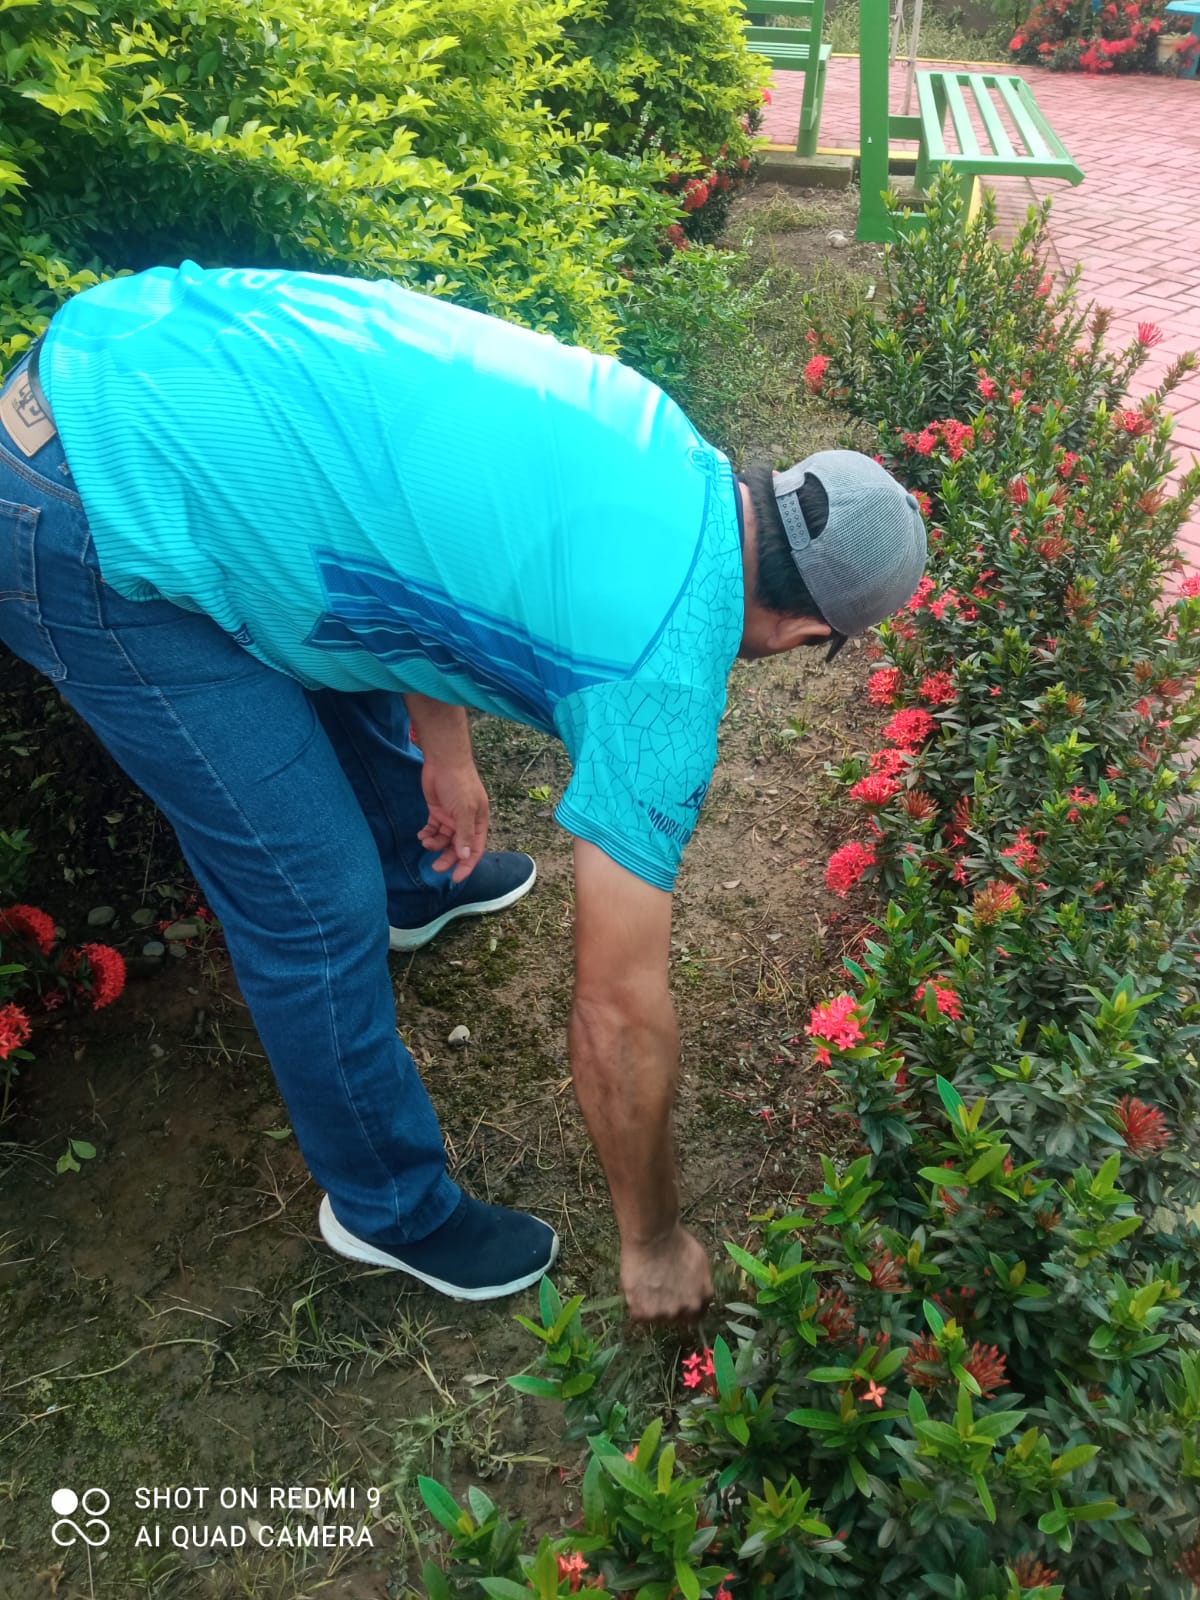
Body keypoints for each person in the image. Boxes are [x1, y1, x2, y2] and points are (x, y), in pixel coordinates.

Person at [0, 264, 925, 1322]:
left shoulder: (651, 430)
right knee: (311, 904)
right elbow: (617, 1011)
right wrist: (655, 1239)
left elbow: (407, 521)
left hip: (123, 348)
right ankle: (385, 1208)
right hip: (87, 510)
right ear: (808, 632)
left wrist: (447, 756)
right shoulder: (663, 679)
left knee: (324, 618)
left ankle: (414, 874)